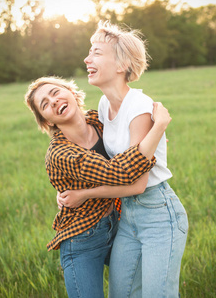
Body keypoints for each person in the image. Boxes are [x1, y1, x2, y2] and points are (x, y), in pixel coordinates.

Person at [58, 21, 188, 298]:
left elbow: (137, 184)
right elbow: (102, 153)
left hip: (158, 214)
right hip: (127, 217)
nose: (86, 58)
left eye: (96, 52)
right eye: (88, 52)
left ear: (120, 64)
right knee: (122, 293)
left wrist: (84, 194)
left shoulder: (139, 107)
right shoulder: (105, 106)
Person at [24, 76, 171, 298]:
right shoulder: (61, 154)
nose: (52, 101)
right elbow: (121, 172)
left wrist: (145, 141)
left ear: (72, 93)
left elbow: (129, 140)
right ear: (48, 121)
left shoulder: (97, 120)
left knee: (138, 292)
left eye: (55, 93)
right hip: (83, 240)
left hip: (120, 226)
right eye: (45, 104)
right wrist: (155, 132)